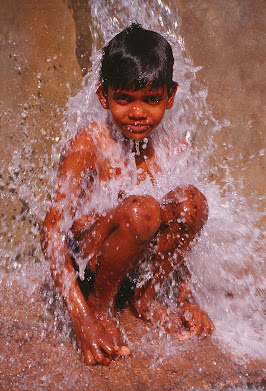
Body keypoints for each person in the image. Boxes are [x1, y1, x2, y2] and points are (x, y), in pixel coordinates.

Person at [42, 23, 214, 366]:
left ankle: (145, 298)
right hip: (89, 264)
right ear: (104, 96)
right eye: (124, 99)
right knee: (142, 210)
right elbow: (50, 232)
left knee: (191, 201)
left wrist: (186, 297)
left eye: (151, 100)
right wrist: (82, 321)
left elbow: (182, 233)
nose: (138, 112)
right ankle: (101, 307)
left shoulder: (173, 145)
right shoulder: (89, 144)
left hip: (134, 262)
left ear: (170, 96)